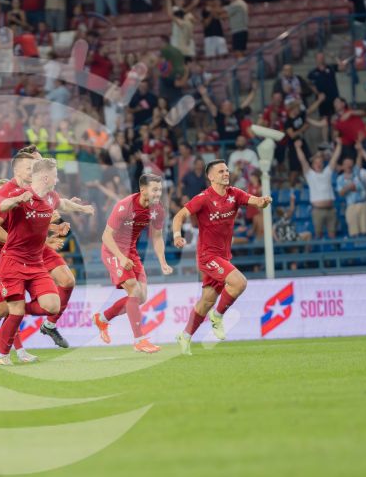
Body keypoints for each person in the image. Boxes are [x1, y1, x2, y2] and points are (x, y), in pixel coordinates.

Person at [171, 159, 273, 355]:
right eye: (221, 171)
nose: (226, 173)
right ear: (210, 177)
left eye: (226, 170)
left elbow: (255, 201)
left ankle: (184, 336)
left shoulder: (235, 194)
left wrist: (263, 201)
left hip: (223, 257)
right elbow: (179, 216)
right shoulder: (203, 198)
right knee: (239, 283)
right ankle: (217, 316)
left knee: (206, 301)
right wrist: (177, 235)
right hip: (207, 255)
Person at [0, 158, 65, 366]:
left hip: (35, 263)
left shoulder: (50, 199)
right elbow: (1, 204)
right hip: (13, 261)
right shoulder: (21, 194)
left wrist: (58, 228)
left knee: (53, 305)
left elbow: (39, 224)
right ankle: (2, 355)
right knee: (16, 311)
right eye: (56, 174)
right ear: (47, 177)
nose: (57, 179)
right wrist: (16, 200)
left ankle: (19, 309)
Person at [93, 174, 173, 353]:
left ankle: (103, 318)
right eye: (154, 189)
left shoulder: (158, 210)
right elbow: (106, 236)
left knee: (141, 297)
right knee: (133, 290)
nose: (158, 193)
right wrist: (121, 258)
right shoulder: (124, 206)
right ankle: (139, 340)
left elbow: (158, 237)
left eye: (160, 189)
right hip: (112, 250)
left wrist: (162, 261)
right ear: (143, 190)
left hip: (131, 251)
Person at [295, 139, 341, 239]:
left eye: (320, 162)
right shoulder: (310, 175)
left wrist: (339, 145)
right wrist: (298, 148)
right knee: (318, 234)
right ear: (313, 165)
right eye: (316, 163)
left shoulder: (327, 173)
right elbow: (303, 161)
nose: (319, 164)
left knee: (332, 235)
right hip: (318, 210)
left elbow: (334, 159)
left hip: (330, 209)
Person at [336, 151, 366, 237]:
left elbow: (359, 162)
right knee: (353, 231)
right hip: (351, 205)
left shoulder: (357, 173)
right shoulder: (340, 179)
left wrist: (359, 151)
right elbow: (340, 193)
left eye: (350, 163)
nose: (348, 165)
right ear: (343, 166)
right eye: (346, 163)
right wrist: (348, 187)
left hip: (363, 203)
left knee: (365, 230)